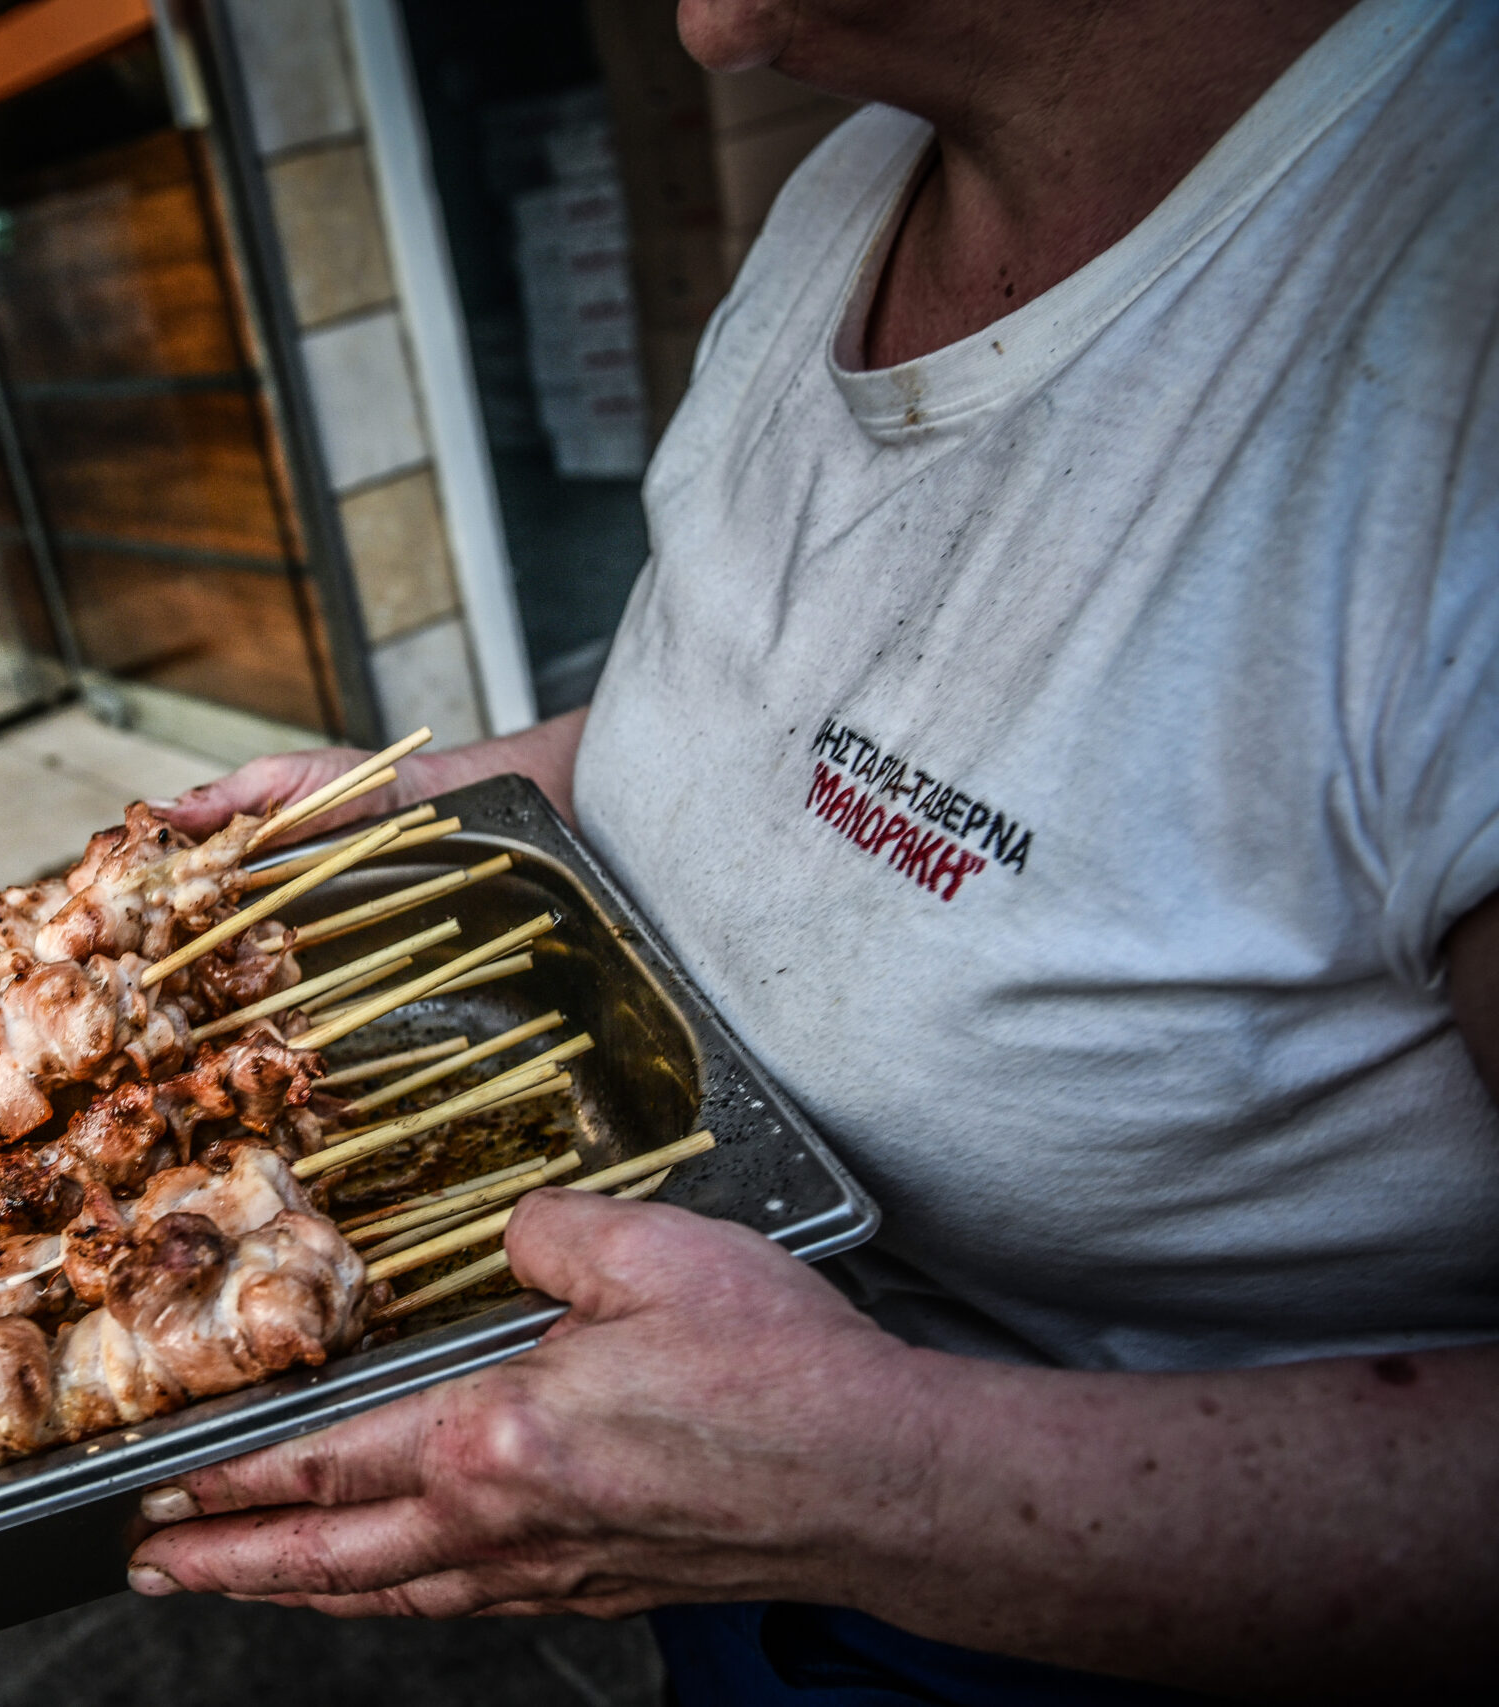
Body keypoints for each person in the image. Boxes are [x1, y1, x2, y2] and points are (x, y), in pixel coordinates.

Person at [126, 0, 1498, 1699]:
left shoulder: (1449, 315)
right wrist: (451, 796)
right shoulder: (845, 194)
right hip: (729, 1506)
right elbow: (777, 734)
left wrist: (878, 1489)